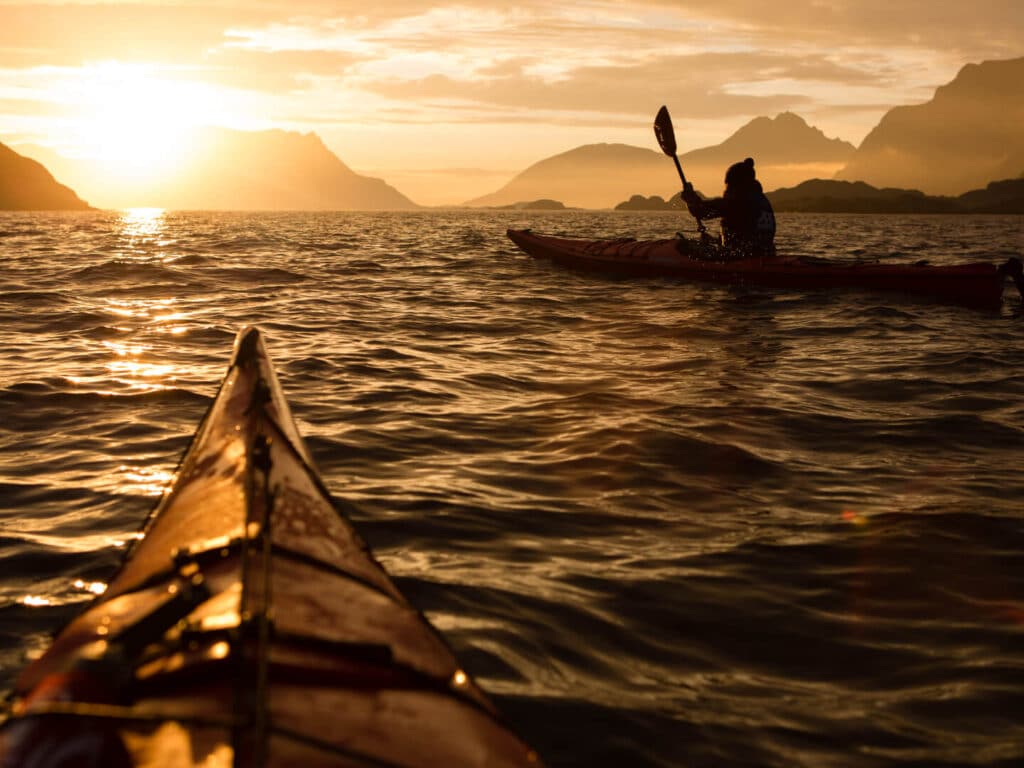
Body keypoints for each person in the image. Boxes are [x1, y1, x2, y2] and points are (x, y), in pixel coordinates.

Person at [680, 157, 776, 260]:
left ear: (735, 185)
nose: (726, 190)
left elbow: (700, 211)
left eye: (727, 186)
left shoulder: (737, 202)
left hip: (740, 259)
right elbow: (744, 233)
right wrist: (713, 240)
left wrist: (690, 198)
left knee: (683, 246)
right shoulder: (762, 201)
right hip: (765, 256)